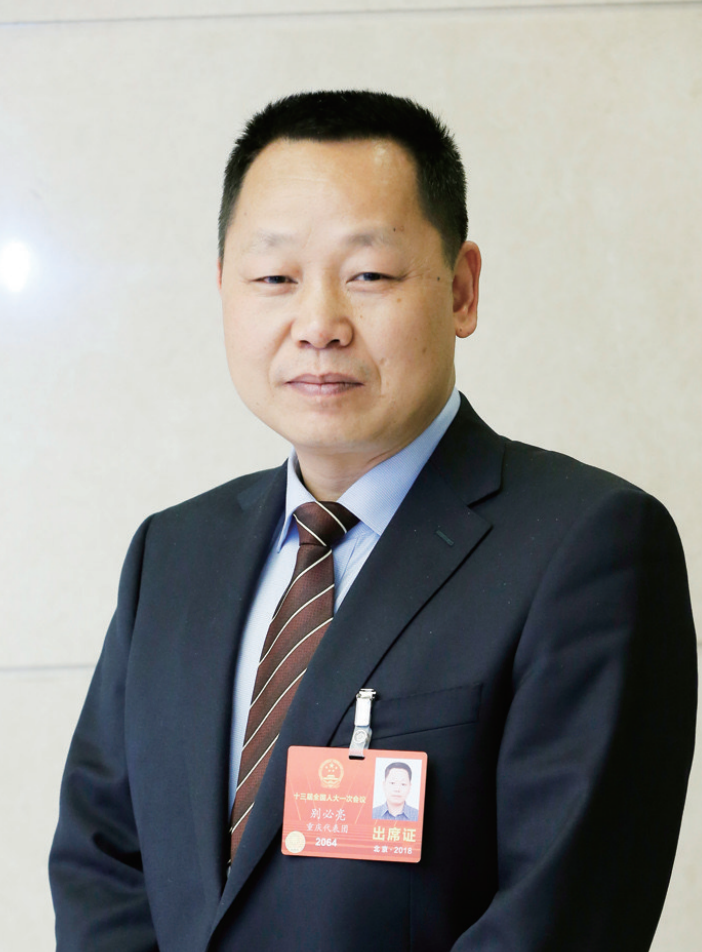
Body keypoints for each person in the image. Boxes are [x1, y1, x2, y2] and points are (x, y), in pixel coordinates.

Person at [50, 90, 697, 952]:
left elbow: (560, 919)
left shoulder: (590, 547)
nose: (319, 325)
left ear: (461, 290)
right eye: (274, 279)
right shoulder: (172, 552)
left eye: (371, 276)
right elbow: (103, 864)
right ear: (224, 291)